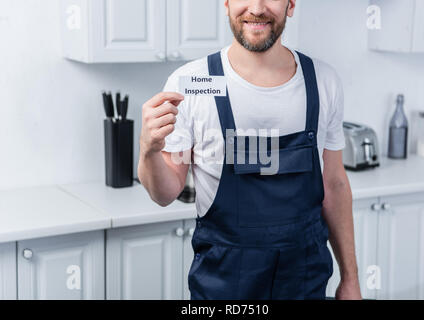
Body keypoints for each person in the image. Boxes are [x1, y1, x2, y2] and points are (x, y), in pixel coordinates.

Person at [138, 0, 362, 300]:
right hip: (223, 286)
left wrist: (350, 278)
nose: (256, 8)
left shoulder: (323, 82)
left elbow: (334, 184)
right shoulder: (193, 84)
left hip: (305, 281)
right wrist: (148, 150)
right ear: (227, 3)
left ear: (291, 4)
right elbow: (165, 194)